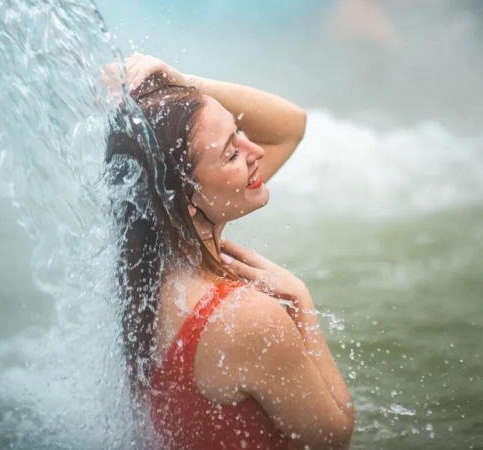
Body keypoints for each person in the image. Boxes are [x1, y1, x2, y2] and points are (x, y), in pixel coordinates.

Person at [106, 53, 354, 450]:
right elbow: (332, 436)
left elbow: (290, 127)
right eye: (231, 153)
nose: (254, 148)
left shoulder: (148, 267)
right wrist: (300, 303)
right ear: (184, 199)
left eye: (238, 130)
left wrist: (183, 83)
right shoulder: (246, 319)